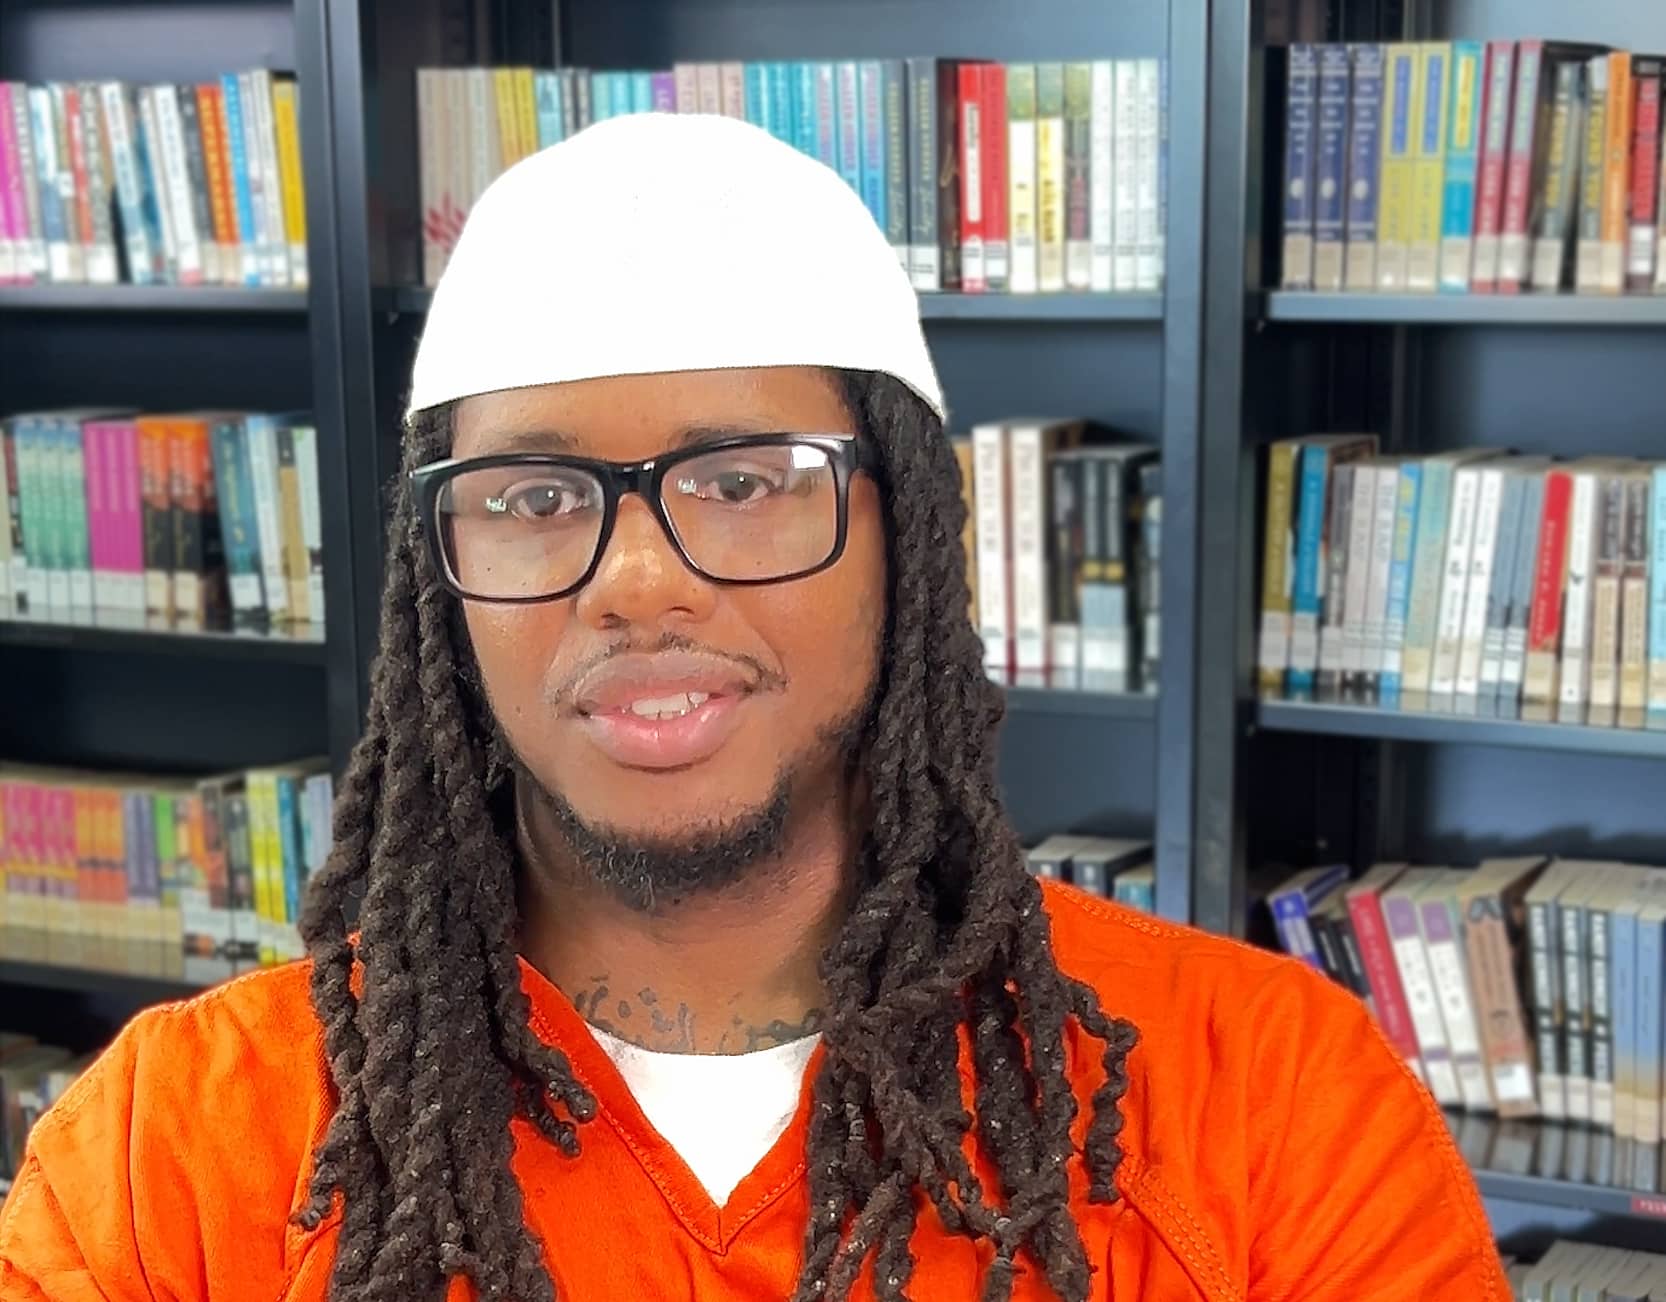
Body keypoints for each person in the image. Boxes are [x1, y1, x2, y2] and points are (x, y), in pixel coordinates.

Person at [0, 113, 1506, 1302]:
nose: (638, 582)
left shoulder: (1272, 1101)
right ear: (433, 580)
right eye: (533, 495)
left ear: (910, 535)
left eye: (741, 482)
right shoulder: (169, 1151)